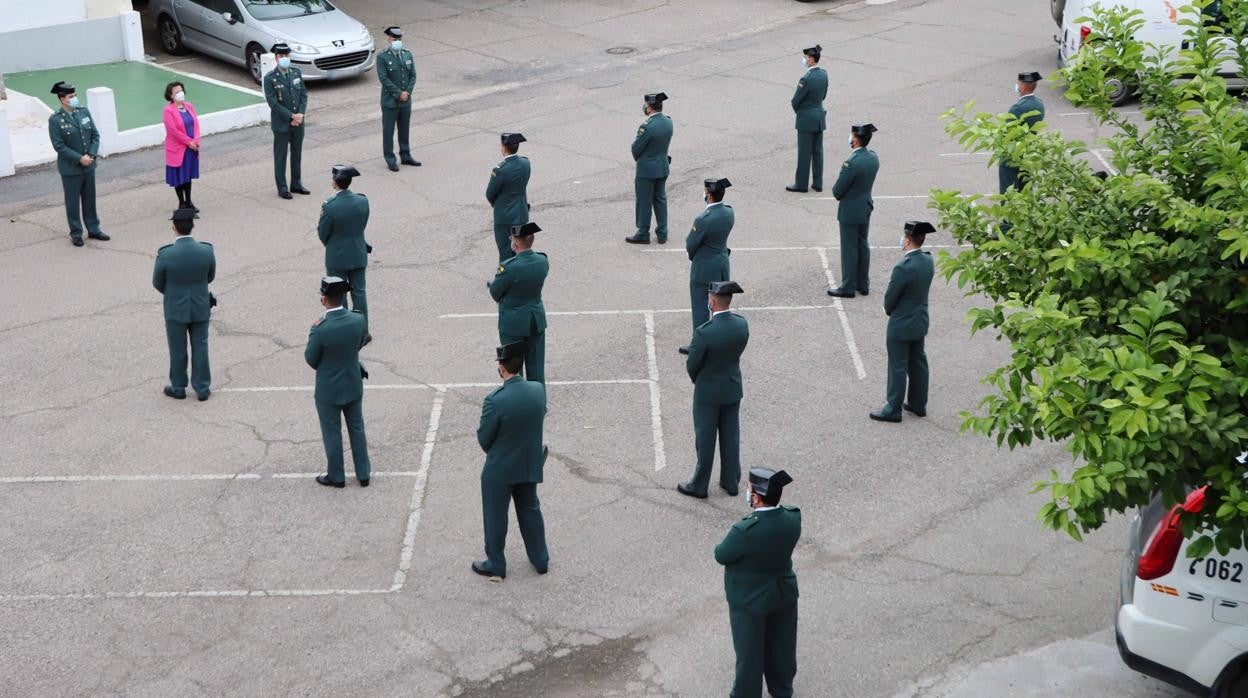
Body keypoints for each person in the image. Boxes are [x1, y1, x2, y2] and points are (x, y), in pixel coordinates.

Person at [714, 468, 801, 698]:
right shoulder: (793, 517)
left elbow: (721, 554)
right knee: (782, 645)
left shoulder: (744, 531)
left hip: (750, 599)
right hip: (783, 592)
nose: (748, 492)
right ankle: (782, 689)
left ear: (756, 497)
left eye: (750, 489)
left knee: (749, 654)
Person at [473, 341, 550, 580]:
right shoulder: (538, 390)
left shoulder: (495, 400)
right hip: (528, 462)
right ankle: (541, 559)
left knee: (496, 516)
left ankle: (496, 563)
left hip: (501, 469)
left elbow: (484, 439)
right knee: (530, 509)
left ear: (502, 368)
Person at [678, 281, 749, 499]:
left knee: (706, 439)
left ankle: (699, 485)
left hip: (708, 393)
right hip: (732, 388)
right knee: (730, 436)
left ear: (713, 301)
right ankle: (731, 481)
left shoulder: (704, 332)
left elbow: (693, 364)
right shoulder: (741, 324)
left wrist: (698, 380)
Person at [305, 276, 371, 488]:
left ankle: (337, 476)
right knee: (357, 427)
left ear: (324, 299)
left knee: (332, 431)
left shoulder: (320, 328)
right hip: (352, 380)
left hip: (328, 388)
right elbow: (360, 343)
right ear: (344, 297)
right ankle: (363, 473)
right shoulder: (358, 319)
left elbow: (311, 359)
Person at [871, 221, 936, 423]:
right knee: (918, 362)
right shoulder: (928, 261)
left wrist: (888, 309)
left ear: (908, 240)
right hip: (920, 320)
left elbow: (891, 297)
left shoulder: (903, 267)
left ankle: (893, 409)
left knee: (898, 365)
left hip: (901, 324)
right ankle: (918, 404)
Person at [153, 208, 215, 401]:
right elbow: (210, 277)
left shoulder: (166, 254)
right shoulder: (206, 251)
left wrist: (173, 293)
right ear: (193, 226)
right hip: (200, 305)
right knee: (201, 345)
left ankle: (178, 387)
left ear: (174, 228)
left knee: (177, 348)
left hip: (175, 308)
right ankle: (202, 387)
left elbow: (157, 282)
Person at [47, 81, 109, 247]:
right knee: (72, 202)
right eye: (71, 96)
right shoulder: (55, 120)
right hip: (71, 169)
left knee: (90, 199)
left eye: (75, 95)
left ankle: (94, 229)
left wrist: (91, 154)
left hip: (89, 165)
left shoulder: (84, 112)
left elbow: (95, 135)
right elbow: (59, 145)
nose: (74, 98)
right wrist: (79, 158)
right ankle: (76, 232)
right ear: (62, 99)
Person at [318, 165, 373, 346]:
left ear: (335, 182)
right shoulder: (362, 201)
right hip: (358, 251)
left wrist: (333, 245)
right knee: (359, 293)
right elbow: (362, 224)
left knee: (339, 296)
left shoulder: (330, 206)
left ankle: (345, 332)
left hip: (337, 255)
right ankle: (363, 332)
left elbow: (323, 232)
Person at [488, 222, 548, 384]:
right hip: (535, 320)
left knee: (514, 369)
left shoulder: (509, 267)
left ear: (514, 243)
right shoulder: (542, 260)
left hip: (513, 323)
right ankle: (538, 403)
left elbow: (495, 293)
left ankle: (518, 401)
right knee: (536, 366)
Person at [827, 123, 880, 299]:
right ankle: (863, 283)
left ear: (855, 139)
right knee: (862, 244)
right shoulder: (873, 158)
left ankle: (848, 286)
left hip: (850, 210)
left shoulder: (852, 163)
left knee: (849, 248)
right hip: (865, 206)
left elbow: (837, 191)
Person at [684, 178, 733, 348]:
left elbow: (691, 244)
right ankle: (720, 340)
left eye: (706, 191)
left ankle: (699, 345)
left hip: (704, 268)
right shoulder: (728, 212)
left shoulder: (703, 219)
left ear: (709, 196)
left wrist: (694, 257)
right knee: (719, 305)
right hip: (722, 264)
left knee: (700, 307)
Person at [625, 92, 673, 244]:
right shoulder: (668, 122)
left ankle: (643, 232)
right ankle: (662, 232)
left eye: (646, 105)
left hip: (647, 170)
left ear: (650, 107)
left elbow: (636, 148)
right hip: (663, 166)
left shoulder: (647, 127)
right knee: (660, 199)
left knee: (644, 201)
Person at [264, 43, 309, 199]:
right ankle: (282, 187)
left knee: (297, 155)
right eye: (281, 56)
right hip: (282, 123)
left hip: (298, 122)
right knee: (281, 156)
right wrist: (292, 116)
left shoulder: (296, 73)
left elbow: (303, 95)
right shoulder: (270, 78)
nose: (285, 59)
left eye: (287, 56)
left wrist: (300, 115)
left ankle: (296, 183)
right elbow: (273, 103)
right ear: (276, 58)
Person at [377, 26, 420, 171]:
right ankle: (390, 159)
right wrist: (398, 93)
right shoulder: (382, 56)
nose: (398, 42)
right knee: (388, 132)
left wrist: (407, 92)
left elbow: (412, 75)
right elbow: (383, 78)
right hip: (390, 101)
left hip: (405, 101)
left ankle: (406, 155)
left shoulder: (407, 54)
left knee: (404, 129)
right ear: (389, 39)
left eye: (399, 39)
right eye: (395, 39)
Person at [787, 46, 827, 193]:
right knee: (818, 151)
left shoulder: (806, 78)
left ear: (811, 59)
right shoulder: (824, 74)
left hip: (806, 119)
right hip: (819, 117)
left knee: (804, 154)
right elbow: (823, 96)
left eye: (806, 57)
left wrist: (801, 112)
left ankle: (801, 184)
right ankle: (818, 183)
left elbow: (795, 101)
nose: (804, 60)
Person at [485, 132, 531, 262]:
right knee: (520, 248)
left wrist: (498, 204)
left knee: (505, 250)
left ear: (504, 148)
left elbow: (490, 194)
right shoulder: (526, 163)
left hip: (505, 217)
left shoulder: (500, 170)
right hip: (521, 213)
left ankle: (503, 279)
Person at [999, 71, 1045, 194]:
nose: (1017, 86)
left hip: (1012, 157)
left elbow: (1007, 131)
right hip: (1029, 153)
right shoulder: (1039, 104)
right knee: (1025, 190)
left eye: (1018, 83)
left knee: (1008, 192)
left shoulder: (1018, 108)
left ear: (1023, 86)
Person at [162, 81, 201, 212]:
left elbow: (196, 124)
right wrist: (189, 142)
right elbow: (173, 131)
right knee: (179, 177)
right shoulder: (168, 111)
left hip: (191, 148)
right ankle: (182, 203)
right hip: (178, 149)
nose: (181, 93)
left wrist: (195, 140)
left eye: (181, 90)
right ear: (171, 96)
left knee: (188, 176)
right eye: (177, 92)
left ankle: (189, 201)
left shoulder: (189, 106)